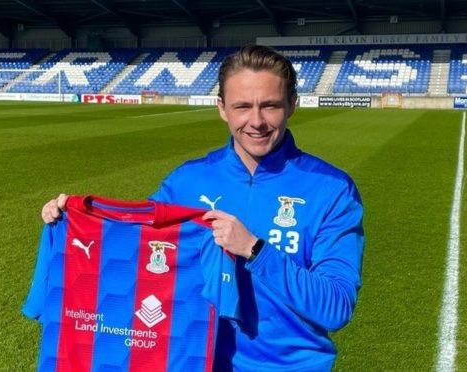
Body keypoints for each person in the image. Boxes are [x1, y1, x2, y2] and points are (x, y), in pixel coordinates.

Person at [41, 45, 364, 371]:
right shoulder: (187, 181)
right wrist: (71, 218)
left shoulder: (331, 189)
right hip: (194, 361)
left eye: (270, 106)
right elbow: (132, 243)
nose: (256, 121)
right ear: (222, 108)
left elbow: (335, 307)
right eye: (242, 107)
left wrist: (255, 250)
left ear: (292, 104)